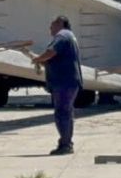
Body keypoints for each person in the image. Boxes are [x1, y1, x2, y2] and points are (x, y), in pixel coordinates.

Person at [30, 15, 83, 155]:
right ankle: (66, 143)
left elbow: (51, 52)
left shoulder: (62, 35)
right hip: (69, 81)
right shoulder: (69, 36)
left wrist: (38, 58)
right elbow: (55, 57)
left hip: (64, 82)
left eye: (52, 25)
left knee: (62, 113)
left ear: (60, 23)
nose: (50, 28)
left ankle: (65, 145)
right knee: (66, 112)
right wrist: (43, 61)